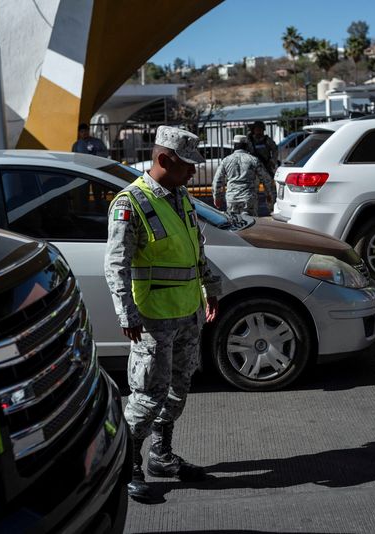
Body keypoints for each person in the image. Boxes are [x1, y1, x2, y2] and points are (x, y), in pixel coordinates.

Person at [104, 126, 221, 503]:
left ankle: (161, 456)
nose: (193, 172)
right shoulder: (131, 202)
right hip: (152, 318)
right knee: (146, 397)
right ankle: (127, 465)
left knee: (178, 390)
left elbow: (195, 249)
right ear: (164, 160)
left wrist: (210, 286)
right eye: (188, 165)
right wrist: (126, 313)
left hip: (188, 312)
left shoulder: (180, 196)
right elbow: (116, 263)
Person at [212, 135, 276, 216]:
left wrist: (217, 197)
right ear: (246, 145)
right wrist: (268, 195)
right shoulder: (253, 160)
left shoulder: (226, 161)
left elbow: (217, 181)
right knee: (251, 225)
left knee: (234, 225)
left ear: (234, 145)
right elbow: (266, 179)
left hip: (232, 199)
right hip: (248, 199)